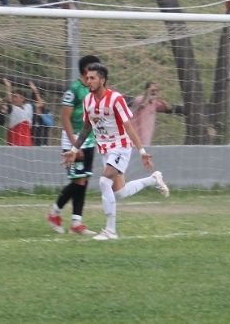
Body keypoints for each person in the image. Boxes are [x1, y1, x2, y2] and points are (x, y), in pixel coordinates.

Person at [62, 63, 169, 240]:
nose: (88, 81)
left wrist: (142, 151)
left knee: (104, 182)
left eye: (92, 78)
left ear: (102, 80)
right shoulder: (88, 100)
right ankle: (153, 179)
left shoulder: (115, 99)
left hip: (120, 146)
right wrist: (74, 149)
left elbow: (128, 125)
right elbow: (87, 127)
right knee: (119, 192)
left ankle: (110, 231)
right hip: (105, 150)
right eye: (87, 78)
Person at [48, 55, 101, 235]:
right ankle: (54, 212)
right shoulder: (74, 90)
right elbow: (65, 118)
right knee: (78, 180)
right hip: (73, 139)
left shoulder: (93, 90)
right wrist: (73, 146)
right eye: (95, 69)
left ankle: (76, 223)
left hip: (89, 139)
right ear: (86, 70)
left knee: (83, 180)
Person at [130, 81, 173, 147]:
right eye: (152, 90)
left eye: (156, 90)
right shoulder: (138, 99)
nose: (154, 92)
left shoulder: (154, 103)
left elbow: (169, 109)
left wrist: (160, 98)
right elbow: (143, 105)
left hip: (146, 137)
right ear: (146, 91)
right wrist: (148, 95)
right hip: (134, 137)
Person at [4, 79, 34, 146]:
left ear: (23, 99)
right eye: (13, 97)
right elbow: (8, 102)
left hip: (27, 144)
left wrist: (34, 90)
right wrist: (8, 87)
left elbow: (39, 102)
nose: (14, 99)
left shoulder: (28, 107)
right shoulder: (12, 109)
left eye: (16, 97)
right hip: (14, 144)